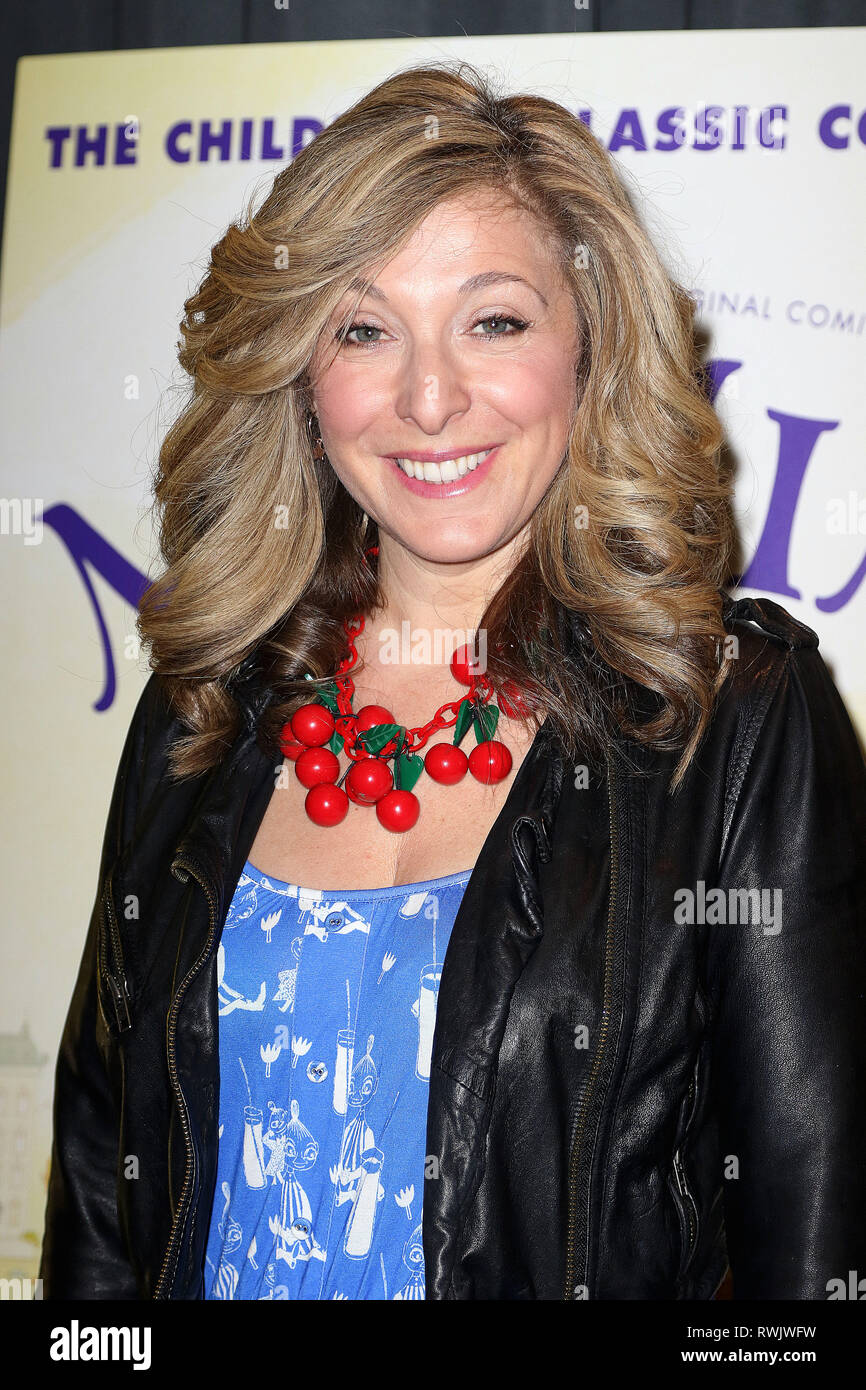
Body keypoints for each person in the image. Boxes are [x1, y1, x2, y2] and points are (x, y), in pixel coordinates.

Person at [39, 60, 866, 1302]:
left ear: (589, 349)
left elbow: (810, 1257)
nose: (428, 400)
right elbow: (101, 1213)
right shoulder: (202, 706)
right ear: (301, 379)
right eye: (363, 330)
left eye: (494, 321)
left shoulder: (732, 719)